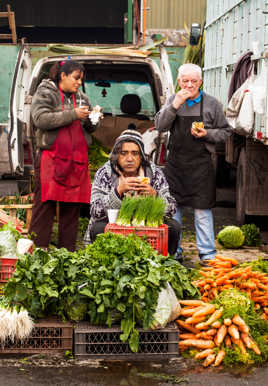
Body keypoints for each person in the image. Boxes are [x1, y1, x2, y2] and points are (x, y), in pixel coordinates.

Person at [155, 63, 232, 264]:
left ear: (200, 81)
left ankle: (207, 255)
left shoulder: (212, 104)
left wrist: (207, 133)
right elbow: (160, 126)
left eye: (194, 81)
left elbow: (225, 132)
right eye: (185, 81)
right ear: (179, 81)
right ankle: (175, 251)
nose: (189, 85)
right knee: (174, 210)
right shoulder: (173, 100)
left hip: (201, 165)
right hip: (176, 164)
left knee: (203, 210)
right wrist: (174, 105)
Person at [29, 60, 98, 251]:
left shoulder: (82, 98)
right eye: (76, 78)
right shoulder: (45, 92)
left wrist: (93, 120)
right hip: (51, 159)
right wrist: (73, 114)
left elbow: (89, 129)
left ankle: (67, 255)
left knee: (72, 210)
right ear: (63, 76)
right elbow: (40, 119)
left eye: (80, 79)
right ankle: (37, 253)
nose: (78, 82)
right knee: (44, 207)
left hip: (76, 161)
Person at [83, 129, 181, 255]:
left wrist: (155, 195)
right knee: (98, 228)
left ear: (141, 156)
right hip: (115, 223)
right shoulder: (106, 173)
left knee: (174, 227)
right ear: (116, 155)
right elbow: (95, 211)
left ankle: (166, 260)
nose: (129, 158)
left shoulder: (154, 173)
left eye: (135, 153)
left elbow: (172, 209)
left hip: (147, 224)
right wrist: (118, 192)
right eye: (124, 153)